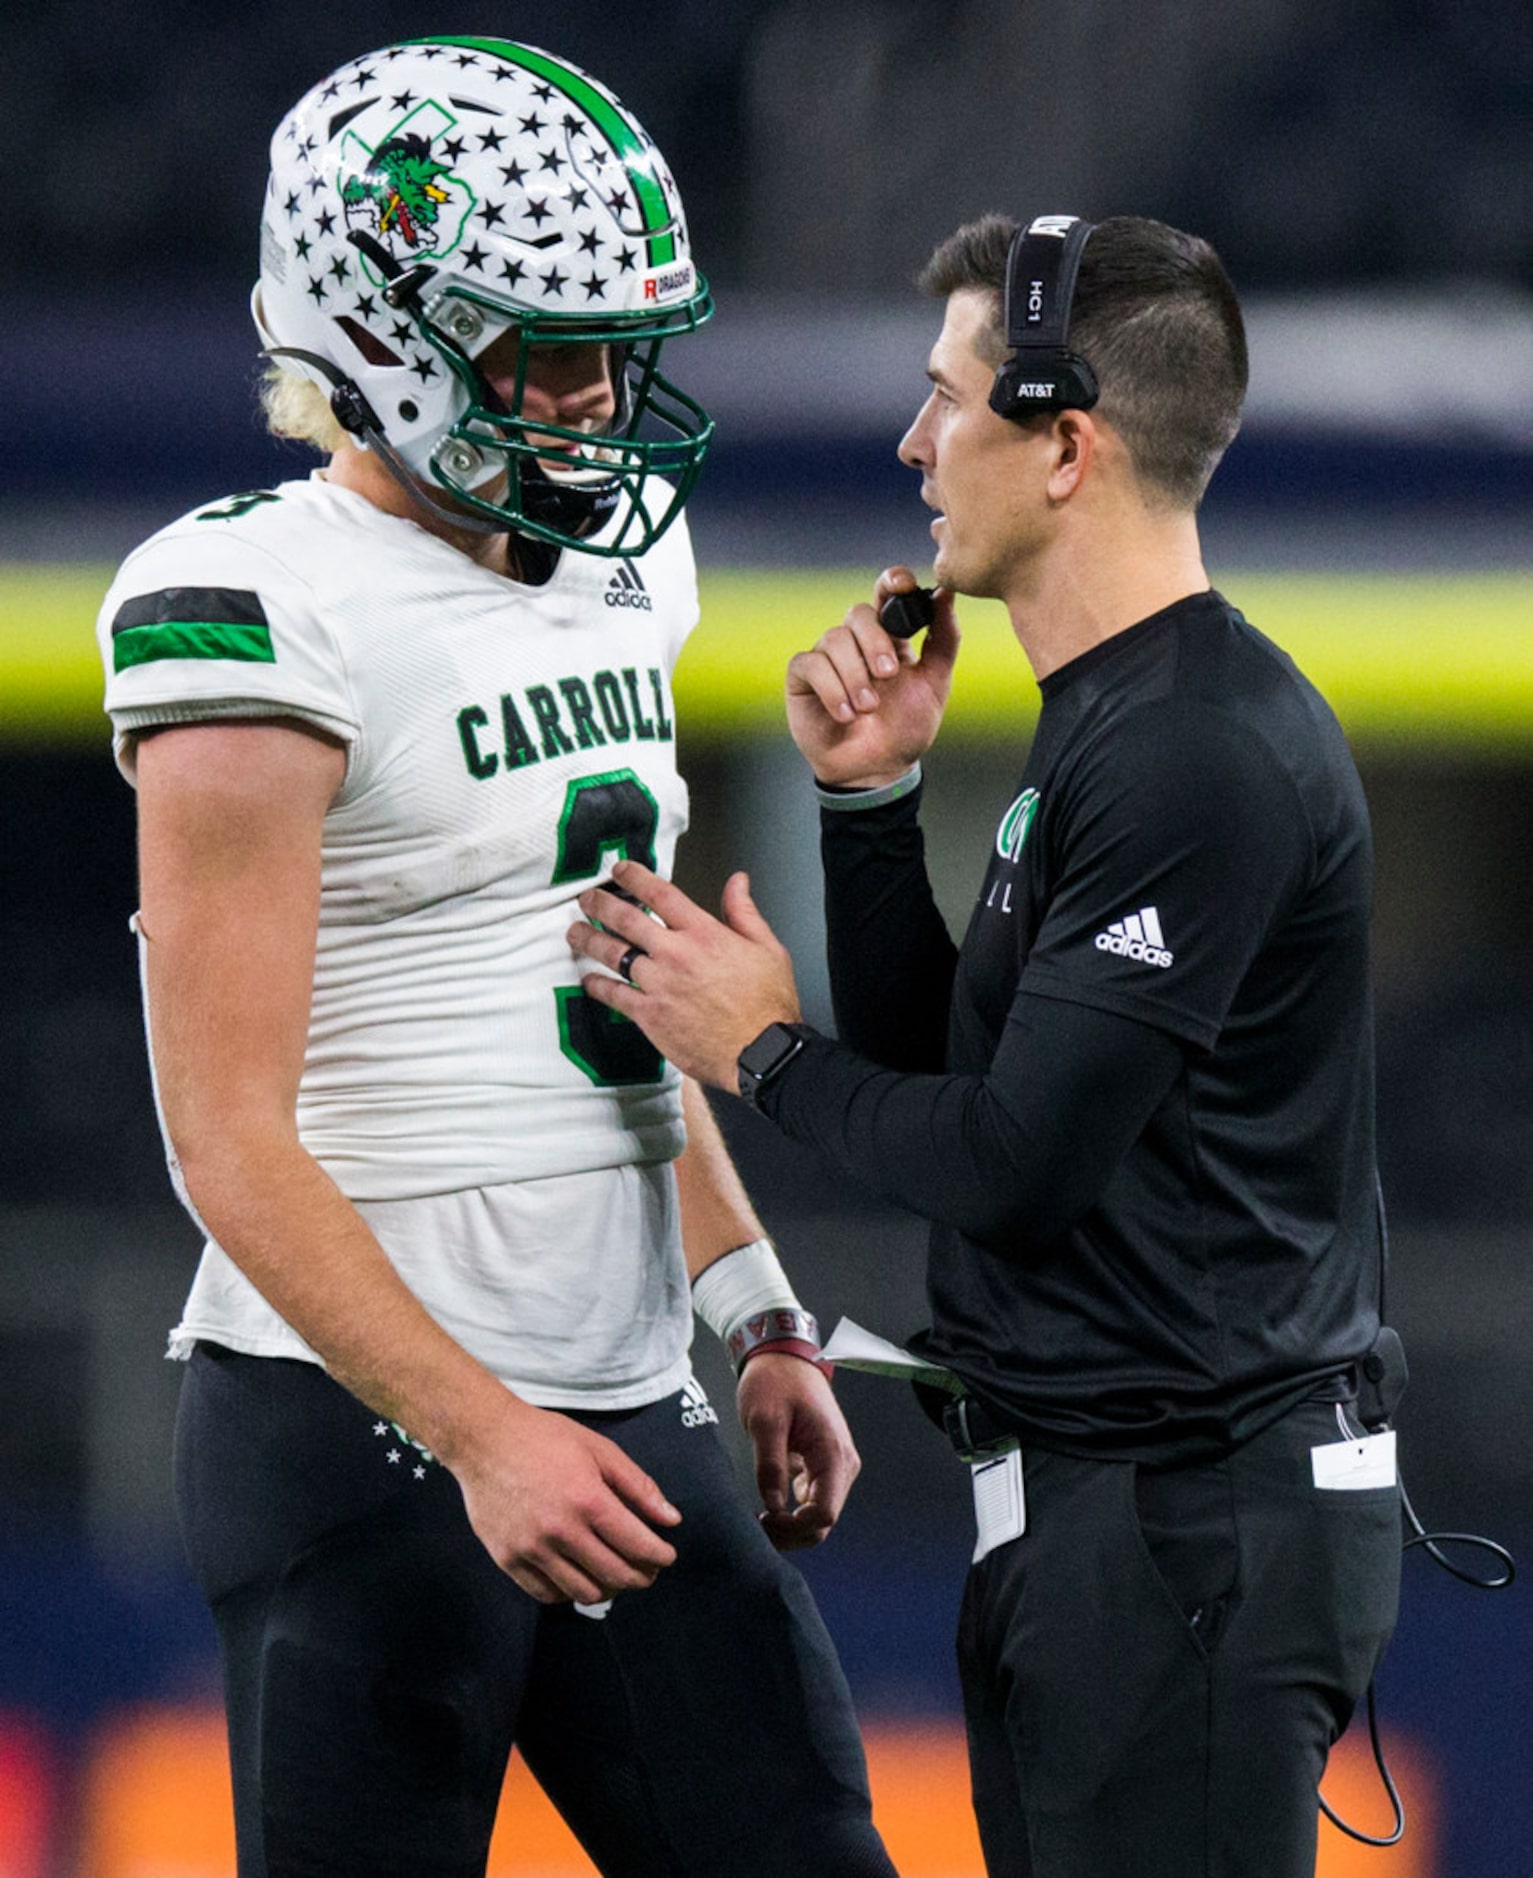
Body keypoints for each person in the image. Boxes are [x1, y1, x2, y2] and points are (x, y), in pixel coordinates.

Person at [95, 37, 898, 1878]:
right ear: (376, 334)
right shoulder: (259, 599)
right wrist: (475, 1433)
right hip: (360, 1420)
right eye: (546, 345)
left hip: (623, 1376)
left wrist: (748, 1299)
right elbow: (222, 1136)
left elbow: (615, 981)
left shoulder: (625, 563)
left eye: (623, 343)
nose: (605, 397)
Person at [568, 211, 1403, 1878]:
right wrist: (870, 800)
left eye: (948, 398)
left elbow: (1013, 1169)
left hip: (1186, 1521)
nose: (910, 441)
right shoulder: (1116, 719)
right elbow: (969, 1086)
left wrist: (762, 1052)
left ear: (1066, 446)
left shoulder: (1191, 751)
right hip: (1127, 1518)